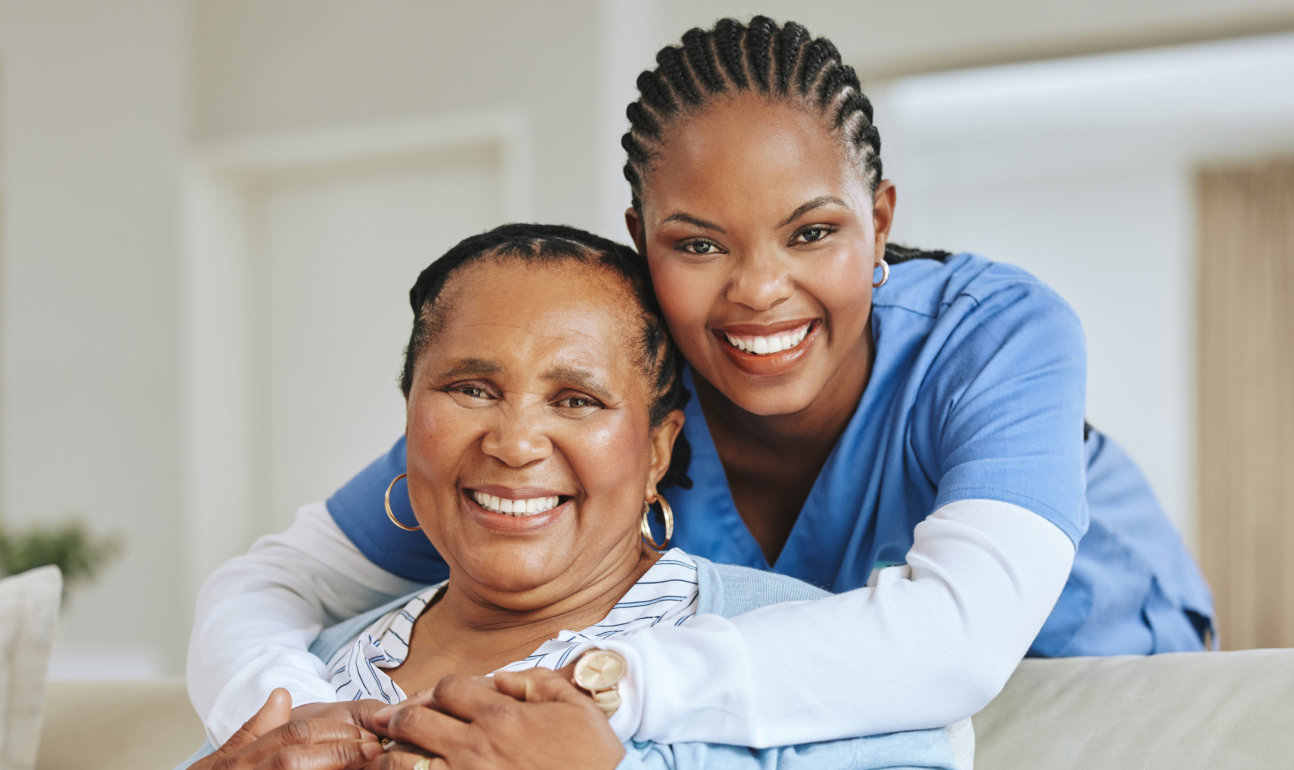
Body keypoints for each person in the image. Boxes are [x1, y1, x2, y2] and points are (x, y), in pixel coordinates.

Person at [187, 15, 1214, 752]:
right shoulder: (594, 411)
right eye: (698, 243)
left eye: (813, 232)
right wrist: (283, 707)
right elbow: (266, 584)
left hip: (1085, 657)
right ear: (642, 243)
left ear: (882, 219)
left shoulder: (992, 335)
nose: (760, 290)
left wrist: (607, 685)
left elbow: (957, 639)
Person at [180, 223, 955, 770]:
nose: (514, 442)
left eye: (577, 400)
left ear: (657, 447)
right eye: (471, 388)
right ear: (410, 418)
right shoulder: (307, 668)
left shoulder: (810, 652)